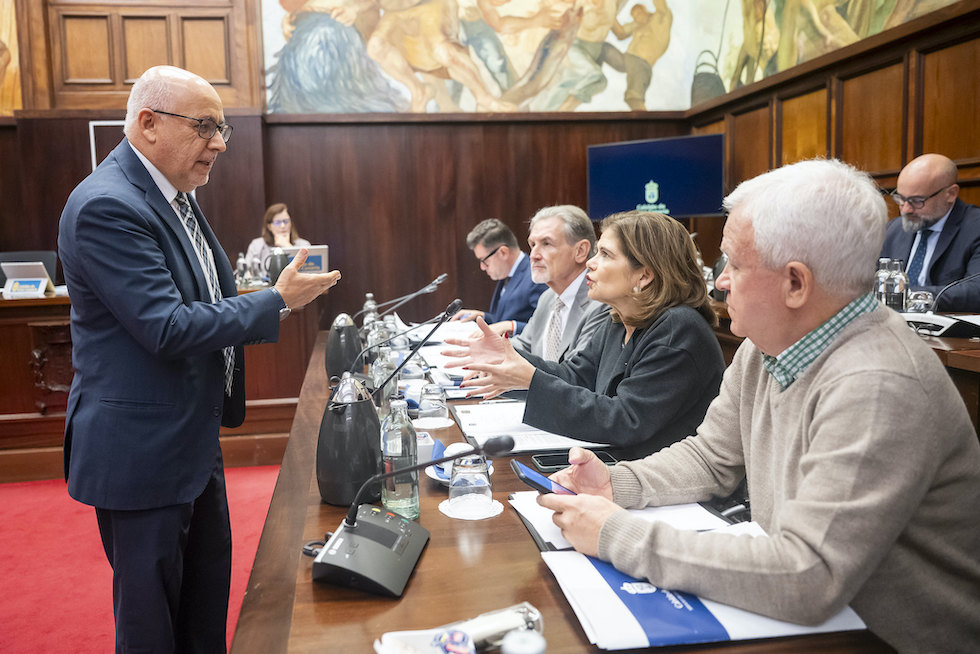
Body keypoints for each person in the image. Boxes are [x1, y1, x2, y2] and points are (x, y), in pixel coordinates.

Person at [539, 160, 980, 652]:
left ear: (796, 283)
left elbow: (807, 575)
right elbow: (711, 456)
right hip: (819, 622)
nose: (720, 280)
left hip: (889, 638)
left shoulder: (878, 383)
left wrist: (616, 534)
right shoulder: (765, 344)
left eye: (735, 264)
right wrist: (617, 484)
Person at [57, 65, 342, 653]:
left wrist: (270, 298)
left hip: (190, 436)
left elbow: (199, 300)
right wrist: (274, 303)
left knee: (204, 606)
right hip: (139, 450)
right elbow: (164, 326)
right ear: (148, 123)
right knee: (151, 623)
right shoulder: (107, 206)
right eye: (205, 127)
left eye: (223, 129)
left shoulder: (175, 193)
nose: (218, 143)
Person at [444, 211, 725, 458]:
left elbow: (626, 420)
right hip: (617, 465)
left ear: (644, 276)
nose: (591, 263)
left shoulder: (678, 329)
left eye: (605, 254)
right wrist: (509, 360)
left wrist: (530, 380)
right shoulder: (620, 320)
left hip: (666, 489)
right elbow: (576, 377)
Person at [880, 153, 980, 312]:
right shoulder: (894, 229)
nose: (905, 209)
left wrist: (908, 295)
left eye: (917, 201)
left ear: (951, 194)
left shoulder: (975, 228)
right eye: (901, 199)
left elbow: (975, 291)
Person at [512, 205, 608, 362]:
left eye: (546, 244)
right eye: (532, 245)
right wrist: (486, 349)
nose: (534, 255)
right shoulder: (547, 298)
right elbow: (523, 346)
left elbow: (574, 374)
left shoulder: (600, 302)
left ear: (580, 251)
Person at [452, 217, 547, 337]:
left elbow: (546, 328)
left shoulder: (536, 277)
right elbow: (503, 320)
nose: (482, 267)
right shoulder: (507, 274)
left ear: (503, 252)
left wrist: (512, 326)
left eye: (484, 260)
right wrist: (483, 317)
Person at [245, 202, 312, 274]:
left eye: (286, 221)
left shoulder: (304, 245)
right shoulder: (257, 245)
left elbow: (308, 271)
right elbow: (245, 272)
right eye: (277, 222)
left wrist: (287, 246)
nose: (283, 226)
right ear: (269, 226)